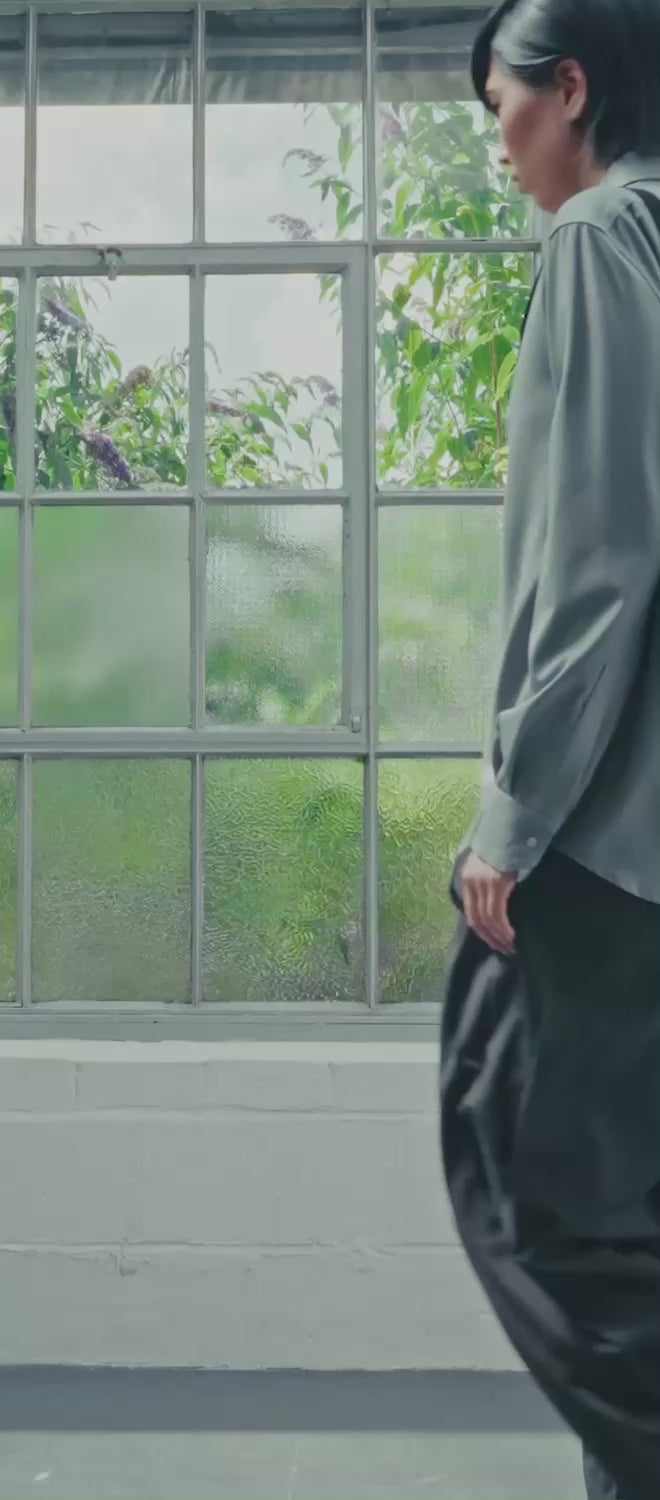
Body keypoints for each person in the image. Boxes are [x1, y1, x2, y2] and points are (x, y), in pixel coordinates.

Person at [441, 1, 660, 1496]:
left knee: (550, 1203)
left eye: (501, 108)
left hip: (611, 839)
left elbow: (597, 565)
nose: (500, 145)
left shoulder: (600, 236)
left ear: (569, 88)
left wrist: (510, 818)